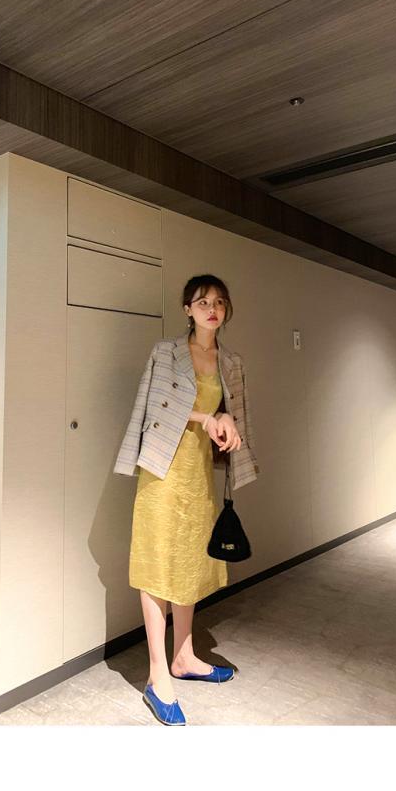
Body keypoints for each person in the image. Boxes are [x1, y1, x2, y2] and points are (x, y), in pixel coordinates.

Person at [114, 270, 256, 723]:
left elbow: (232, 415)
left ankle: (185, 656)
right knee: (158, 562)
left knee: (191, 561)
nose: (212, 309)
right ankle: (158, 675)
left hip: (197, 474)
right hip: (162, 470)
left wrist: (227, 422)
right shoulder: (167, 352)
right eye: (202, 302)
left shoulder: (231, 361)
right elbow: (155, 407)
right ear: (187, 309)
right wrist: (206, 417)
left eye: (219, 302)